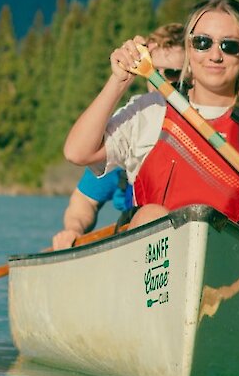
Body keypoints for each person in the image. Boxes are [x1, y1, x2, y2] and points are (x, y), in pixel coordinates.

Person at [62, 0, 239, 243]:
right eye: (202, 42)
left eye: (229, 46)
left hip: (233, 261)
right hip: (153, 272)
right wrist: (118, 82)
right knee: (151, 215)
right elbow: (78, 152)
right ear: (188, 48)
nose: (215, 55)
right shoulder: (150, 111)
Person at [50, 22, 187, 249]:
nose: (158, 82)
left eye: (170, 74)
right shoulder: (135, 126)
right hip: (141, 239)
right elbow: (84, 200)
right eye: (153, 71)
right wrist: (73, 230)